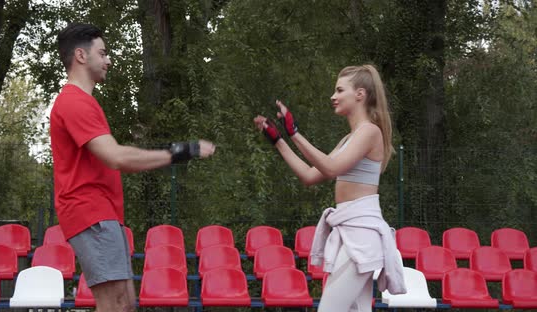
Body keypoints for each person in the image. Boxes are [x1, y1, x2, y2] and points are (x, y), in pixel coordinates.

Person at [50, 23, 216, 312]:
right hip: (90, 212)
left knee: (124, 303)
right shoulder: (74, 102)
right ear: (80, 55)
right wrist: (179, 152)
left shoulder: (85, 102)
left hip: (102, 215)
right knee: (114, 304)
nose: (108, 60)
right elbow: (116, 156)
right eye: (102, 53)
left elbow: (116, 160)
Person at [253, 65, 405, 312]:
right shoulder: (349, 139)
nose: (333, 97)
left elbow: (331, 168)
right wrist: (279, 140)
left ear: (360, 94)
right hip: (352, 232)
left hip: (361, 234)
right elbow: (310, 176)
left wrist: (295, 133)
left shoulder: (369, 132)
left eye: (339, 90)